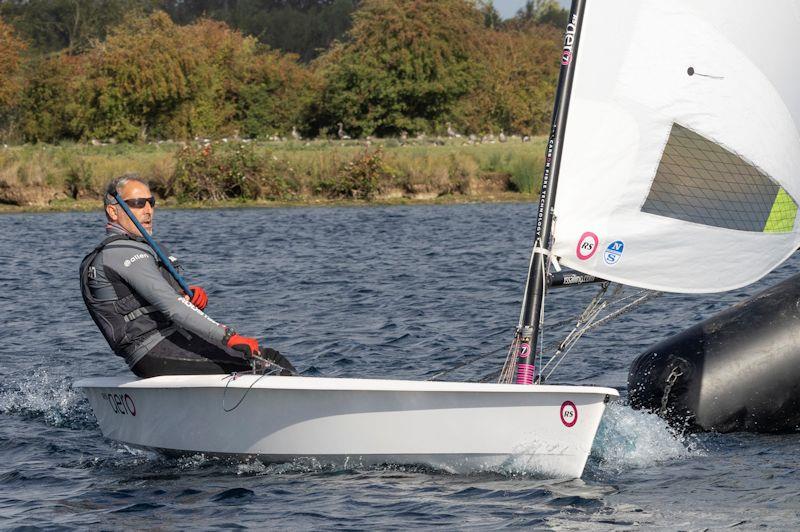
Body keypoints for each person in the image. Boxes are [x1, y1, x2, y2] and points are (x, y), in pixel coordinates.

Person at [80, 173, 295, 378]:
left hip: (170, 340)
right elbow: (172, 307)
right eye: (137, 203)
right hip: (151, 350)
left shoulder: (138, 249)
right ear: (113, 211)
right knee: (266, 361)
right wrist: (228, 337)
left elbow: (161, 300)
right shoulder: (122, 253)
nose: (148, 210)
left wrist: (185, 295)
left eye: (150, 202)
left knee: (262, 357)